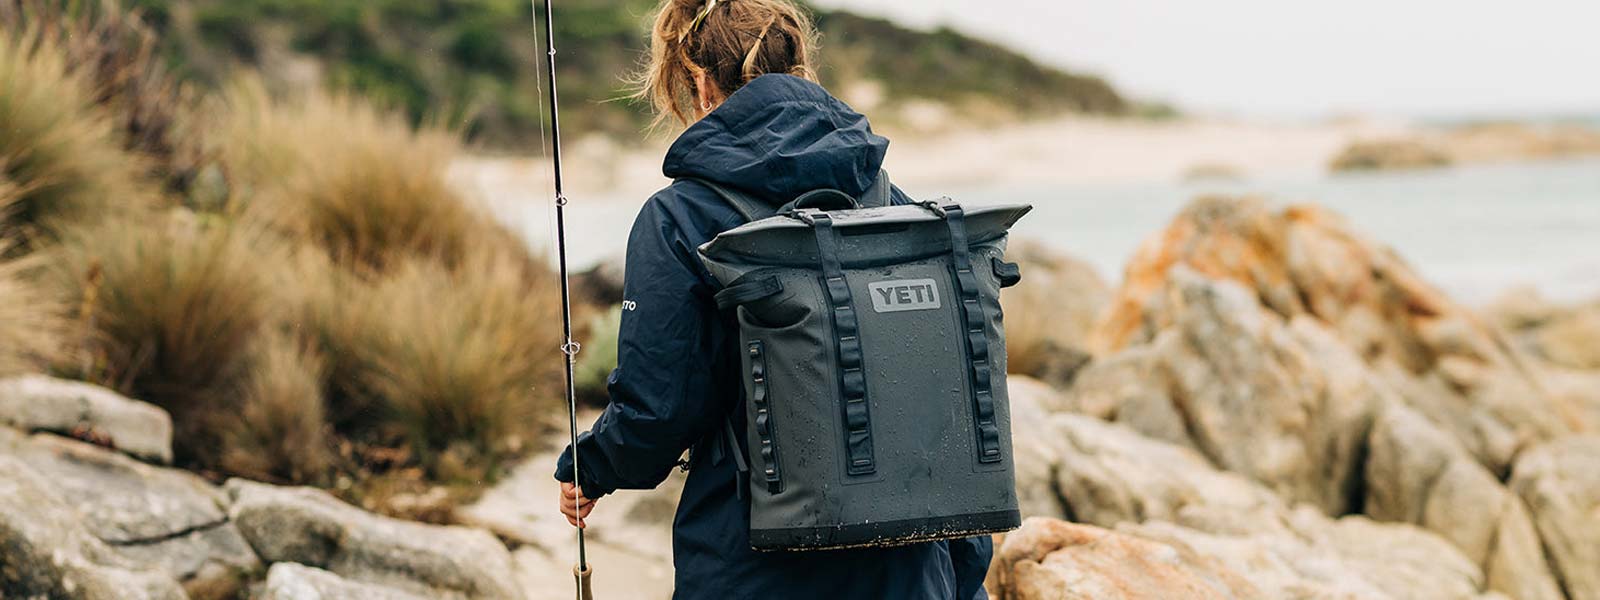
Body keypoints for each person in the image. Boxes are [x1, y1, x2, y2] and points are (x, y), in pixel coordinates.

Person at [554, 0, 993, 597]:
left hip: (752, 564)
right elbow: (943, 393)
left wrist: (591, 466)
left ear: (701, 83)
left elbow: (661, 406)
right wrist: (957, 570)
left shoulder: (679, 217)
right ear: (802, 66)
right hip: (909, 567)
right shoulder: (891, 198)